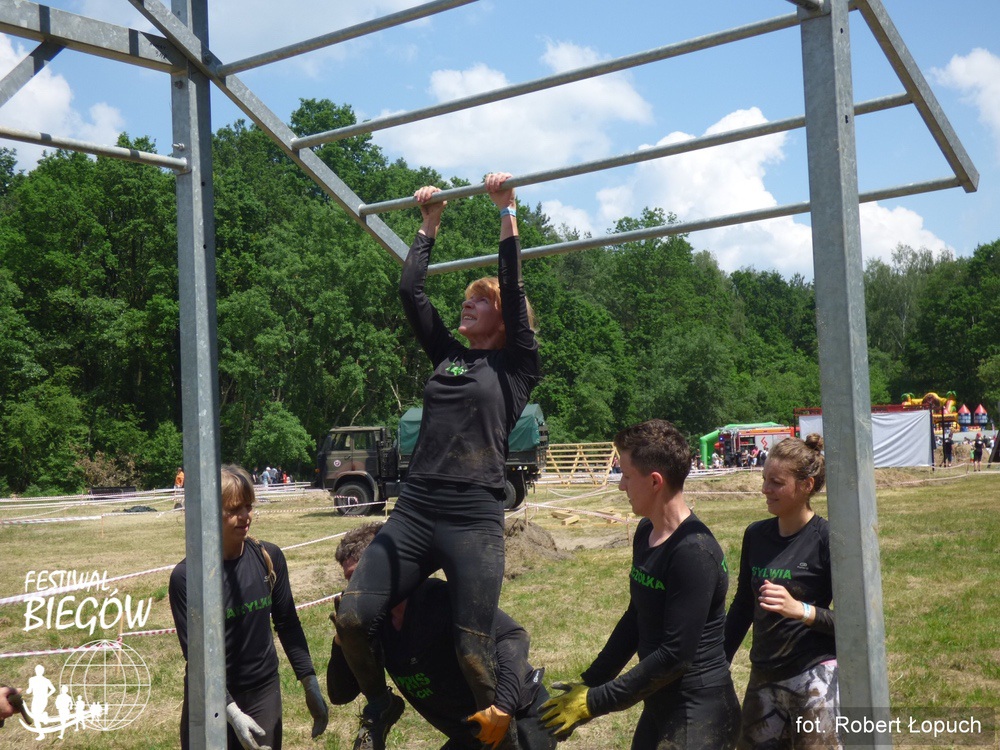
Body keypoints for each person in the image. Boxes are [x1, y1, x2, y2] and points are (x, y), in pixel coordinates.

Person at [336, 172, 540, 750]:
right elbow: (411, 291)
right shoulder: (449, 356)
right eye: (467, 299)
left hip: (473, 519)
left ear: (506, 318)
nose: (467, 304)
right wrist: (429, 224)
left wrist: (506, 210)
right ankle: (380, 705)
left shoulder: (516, 366)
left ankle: (501, 737)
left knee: (473, 649)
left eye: (480, 301)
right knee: (352, 619)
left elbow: (512, 283)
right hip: (416, 509)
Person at [540, 419, 740, 749]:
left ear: (655, 481)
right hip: (659, 704)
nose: (621, 486)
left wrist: (594, 702)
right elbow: (637, 617)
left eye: (626, 476)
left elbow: (676, 656)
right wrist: (590, 682)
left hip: (698, 715)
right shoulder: (646, 532)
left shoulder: (693, 553)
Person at [328, 523, 556, 750]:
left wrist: (503, 708)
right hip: (472, 735)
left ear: (384, 567)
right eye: (349, 579)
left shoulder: (438, 599)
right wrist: (345, 638)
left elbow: (513, 636)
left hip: (521, 716)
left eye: (358, 576)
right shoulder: (372, 623)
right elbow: (340, 694)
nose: (354, 588)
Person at [169, 465, 328, 750]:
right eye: (234, 509)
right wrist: (230, 712)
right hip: (208, 697)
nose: (245, 516)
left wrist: (309, 682)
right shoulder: (187, 578)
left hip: (262, 692)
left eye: (249, 506)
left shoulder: (269, 557)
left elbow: (287, 623)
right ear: (207, 513)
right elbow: (197, 657)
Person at [724, 434, 839, 749]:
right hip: (763, 674)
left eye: (776, 482)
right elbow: (743, 606)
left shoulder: (826, 538)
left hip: (813, 675)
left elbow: (854, 623)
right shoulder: (756, 534)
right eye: (764, 479)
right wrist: (719, 662)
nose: (765, 489)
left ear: (806, 485)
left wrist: (801, 610)